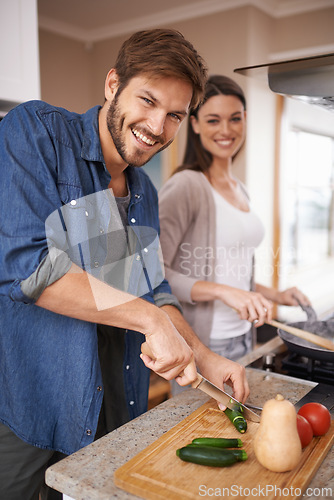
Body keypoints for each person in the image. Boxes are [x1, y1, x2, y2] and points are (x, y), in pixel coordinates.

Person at [0, 33, 249, 500]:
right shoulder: (35, 133)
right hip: (28, 406)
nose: (157, 126)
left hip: (113, 406)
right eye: (148, 101)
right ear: (113, 83)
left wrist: (204, 357)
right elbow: (29, 269)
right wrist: (149, 318)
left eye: (175, 115)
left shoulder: (145, 193)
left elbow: (153, 290)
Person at [159, 74, 310, 369]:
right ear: (195, 124)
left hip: (244, 334)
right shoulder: (186, 186)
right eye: (213, 120)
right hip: (204, 344)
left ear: (245, 120)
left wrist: (276, 294)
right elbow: (156, 275)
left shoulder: (240, 189)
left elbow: (235, 273)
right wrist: (222, 291)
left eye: (235, 118)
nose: (226, 130)